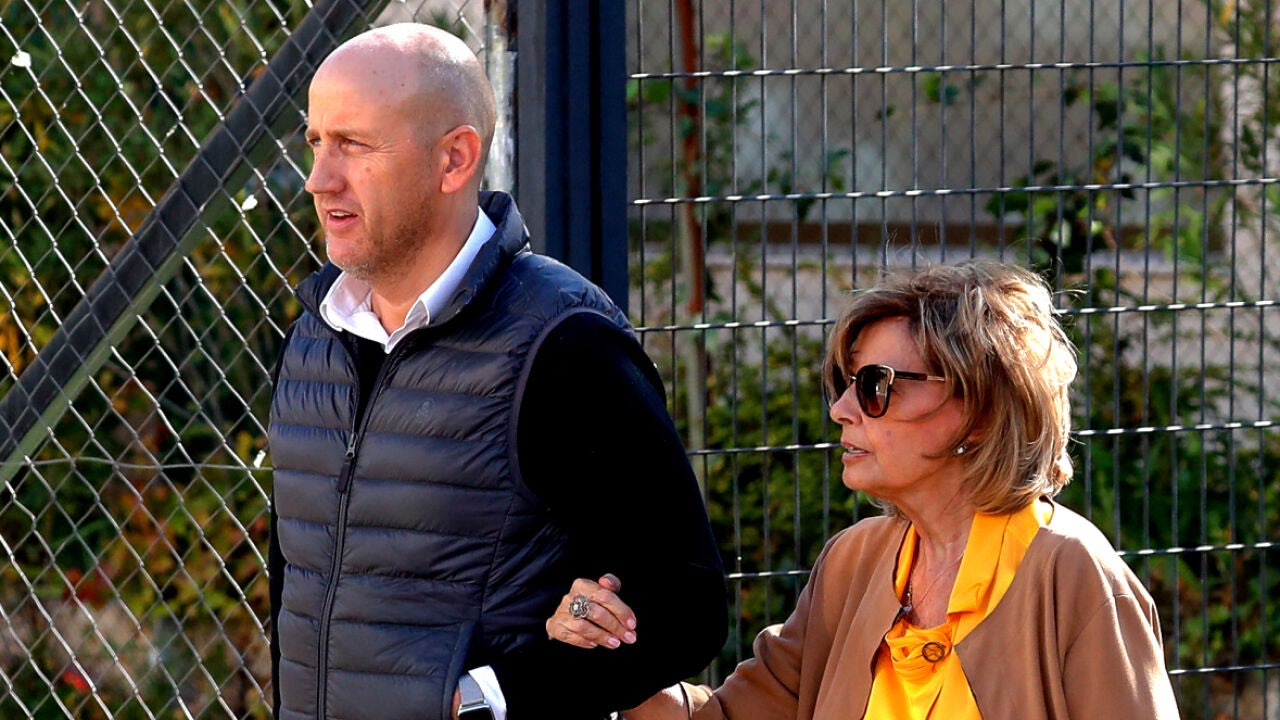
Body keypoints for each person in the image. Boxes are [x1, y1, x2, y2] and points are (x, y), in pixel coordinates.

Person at [266, 23, 726, 720]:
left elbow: (683, 605)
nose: (319, 178)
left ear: (454, 158)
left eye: (354, 145)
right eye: (316, 142)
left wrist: (491, 698)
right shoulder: (314, 337)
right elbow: (298, 587)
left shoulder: (565, 344)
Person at [548, 260, 1181, 719]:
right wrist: (605, 643)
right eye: (846, 384)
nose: (842, 410)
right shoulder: (855, 562)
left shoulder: (1071, 573)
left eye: (877, 386)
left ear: (980, 408)